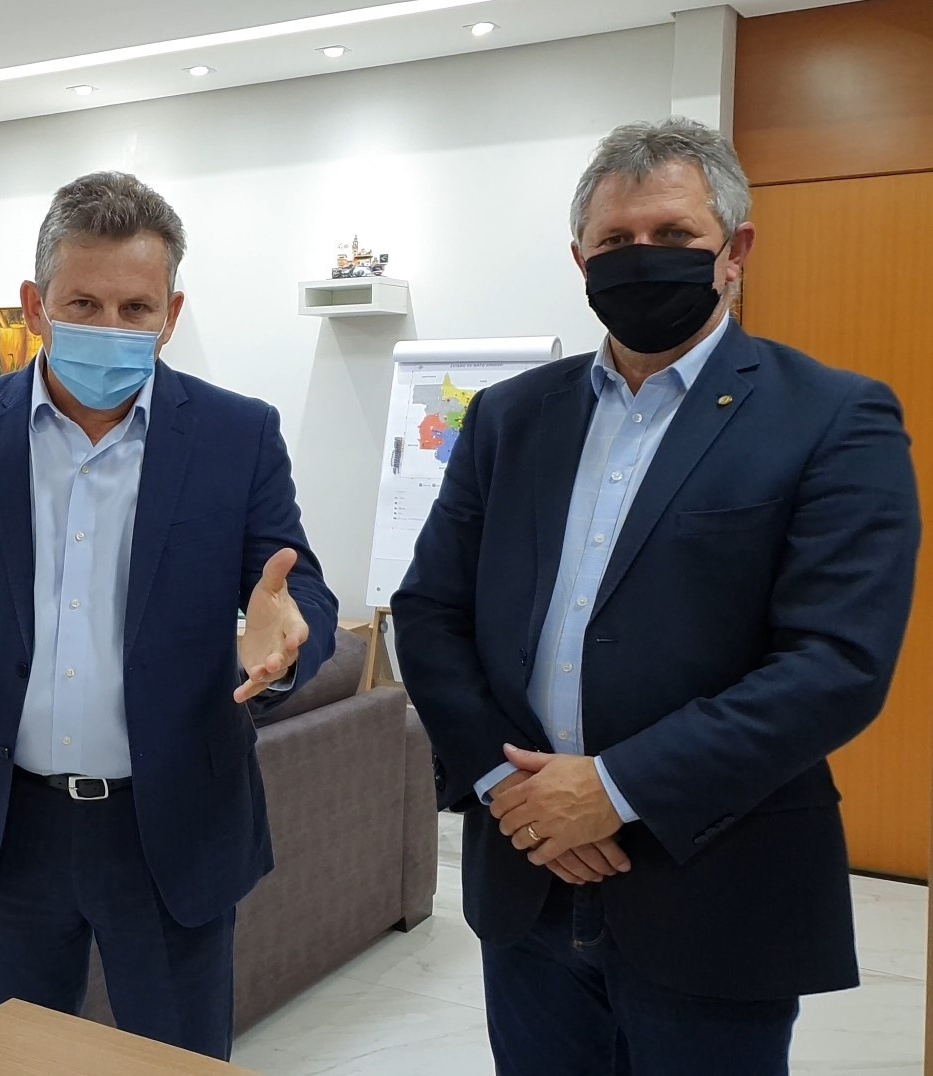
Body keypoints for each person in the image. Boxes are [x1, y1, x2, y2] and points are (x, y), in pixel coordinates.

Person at [393, 117, 921, 1074]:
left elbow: (834, 664)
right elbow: (430, 611)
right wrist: (511, 791)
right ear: (580, 261)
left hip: (713, 887)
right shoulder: (511, 417)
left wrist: (611, 790)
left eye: (673, 236)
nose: (642, 257)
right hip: (526, 879)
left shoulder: (832, 417)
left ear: (734, 251)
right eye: (615, 241)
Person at [0, 171, 338, 1060]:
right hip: (8, 824)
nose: (111, 326)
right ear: (35, 305)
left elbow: (296, 588)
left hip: (169, 823)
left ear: (170, 314)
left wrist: (287, 637)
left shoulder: (235, 433)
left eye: (137, 308)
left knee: (176, 1062)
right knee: (14, 1059)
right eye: (83, 303)